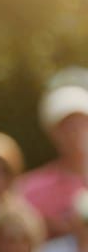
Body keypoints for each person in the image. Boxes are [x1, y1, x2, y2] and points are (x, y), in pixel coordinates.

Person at [19, 85, 88, 238]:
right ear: (54, 134)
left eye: (82, 123)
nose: (76, 132)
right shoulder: (29, 189)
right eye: (68, 126)